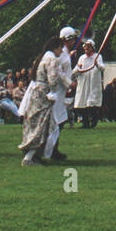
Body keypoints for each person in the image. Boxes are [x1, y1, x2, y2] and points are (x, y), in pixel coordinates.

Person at [19, 38, 65, 165]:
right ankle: (29, 157)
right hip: (44, 94)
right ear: (55, 47)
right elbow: (53, 78)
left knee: (37, 124)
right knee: (42, 125)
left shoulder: (42, 58)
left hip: (37, 93)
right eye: (61, 48)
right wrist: (54, 92)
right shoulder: (51, 59)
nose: (62, 51)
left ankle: (34, 156)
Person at [45, 27, 78, 160]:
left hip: (61, 91)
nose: (75, 41)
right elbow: (58, 72)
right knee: (57, 121)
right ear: (67, 39)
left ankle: (53, 149)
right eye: (73, 38)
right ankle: (50, 149)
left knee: (60, 120)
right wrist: (69, 83)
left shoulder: (65, 53)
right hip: (56, 91)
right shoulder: (60, 54)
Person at [73, 39, 105, 128]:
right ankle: (85, 123)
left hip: (93, 83)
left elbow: (103, 68)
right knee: (82, 103)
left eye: (88, 47)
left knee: (92, 103)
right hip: (83, 83)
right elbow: (75, 71)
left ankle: (94, 121)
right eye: (85, 47)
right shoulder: (82, 58)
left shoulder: (98, 56)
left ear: (92, 48)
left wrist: (97, 64)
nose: (86, 48)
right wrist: (78, 68)